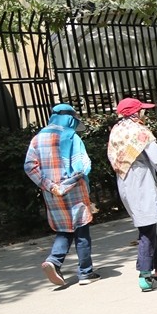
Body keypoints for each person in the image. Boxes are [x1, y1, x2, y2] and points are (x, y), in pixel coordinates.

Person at [108, 98, 157, 292]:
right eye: (143, 111)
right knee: (146, 230)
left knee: (146, 225)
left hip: (124, 183)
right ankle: (145, 276)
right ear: (135, 113)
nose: (145, 114)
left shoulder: (116, 131)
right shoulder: (140, 131)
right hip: (141, 184)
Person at [23, 103, 99, 287]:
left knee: (65, 229)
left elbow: (29, 166)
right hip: (75, 191)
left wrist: (49, 185)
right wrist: (70, 182)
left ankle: (54, 261)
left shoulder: (37, 139)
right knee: (81, 230)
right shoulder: (72, 137)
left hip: (52, 194)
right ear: (70, 118)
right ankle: (85, 273)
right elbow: (83, 165)